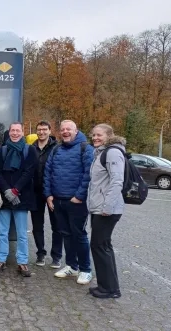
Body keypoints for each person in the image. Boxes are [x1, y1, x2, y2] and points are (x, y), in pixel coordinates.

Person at [44, 120, 94, 285]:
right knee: (65, 234)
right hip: (57, 200)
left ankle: (86, 270)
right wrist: (48, 194)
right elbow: (48, 172)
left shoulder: (86, 149)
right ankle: (72, 266)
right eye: (63, 129)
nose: (65, 131)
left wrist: (79, 196)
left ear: (76, 130)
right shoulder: (56, 149)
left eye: (69, 129)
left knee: (79, 235)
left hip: (77, 202)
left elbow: (89, 175)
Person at [0, 123, 37, 277]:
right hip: (4, 197)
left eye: (18, 131)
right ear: (9, 132)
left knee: (22, 233)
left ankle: (22, 262)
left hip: (22, 197)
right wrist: (7, 191)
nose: (15, 133)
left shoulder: (29, 150)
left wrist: (16, 190)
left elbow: (30, 171)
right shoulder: (2, 150)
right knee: (2, 231)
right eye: (13, 131)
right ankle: (1, 259)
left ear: (22, 132)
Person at [87, 124, 125, 299]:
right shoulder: (102, 153)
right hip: (100, 208)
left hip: (106, 210)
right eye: (93, 135)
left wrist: (107, 207)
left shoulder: (112, 153)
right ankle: (107, 286)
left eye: (99, 135)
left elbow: (117, 180)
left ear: (109, 135)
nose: (95, 138)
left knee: (100, 246)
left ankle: (109, 289)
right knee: (102, 246)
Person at [30, 121, 62, 268]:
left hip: (53, 192)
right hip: (35, 192)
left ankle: (56, 256)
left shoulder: (57, 148)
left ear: (50, 131)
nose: (41, 132)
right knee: (37, 225)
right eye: (39, 130)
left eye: (44, 129)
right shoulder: (31, 148)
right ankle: (40, 254)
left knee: (57, 225)